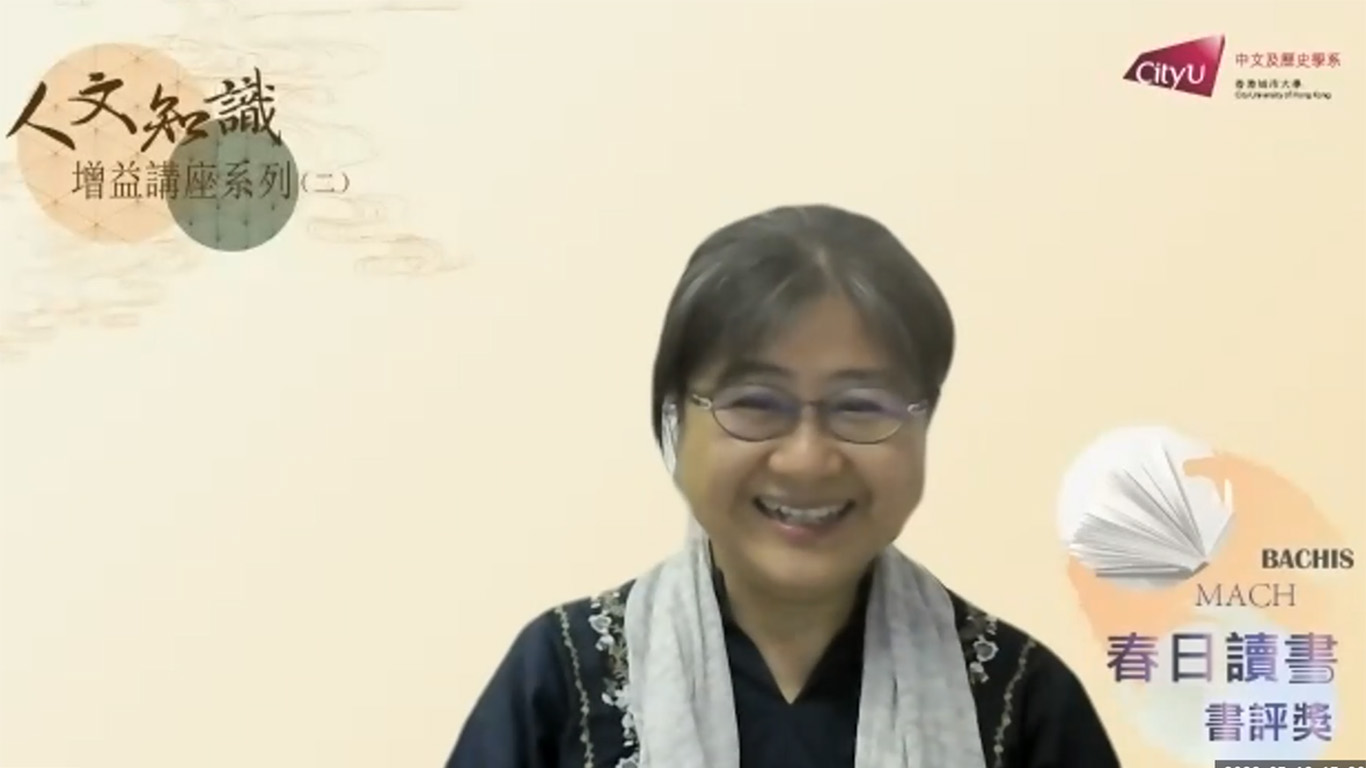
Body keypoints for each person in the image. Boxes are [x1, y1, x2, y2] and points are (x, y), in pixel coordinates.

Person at [445, 205, 1122, 768]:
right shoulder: (561, 681)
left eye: (861, 406)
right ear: (677, 419)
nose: (806, 460)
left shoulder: (1021, 703)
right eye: (755, 403)